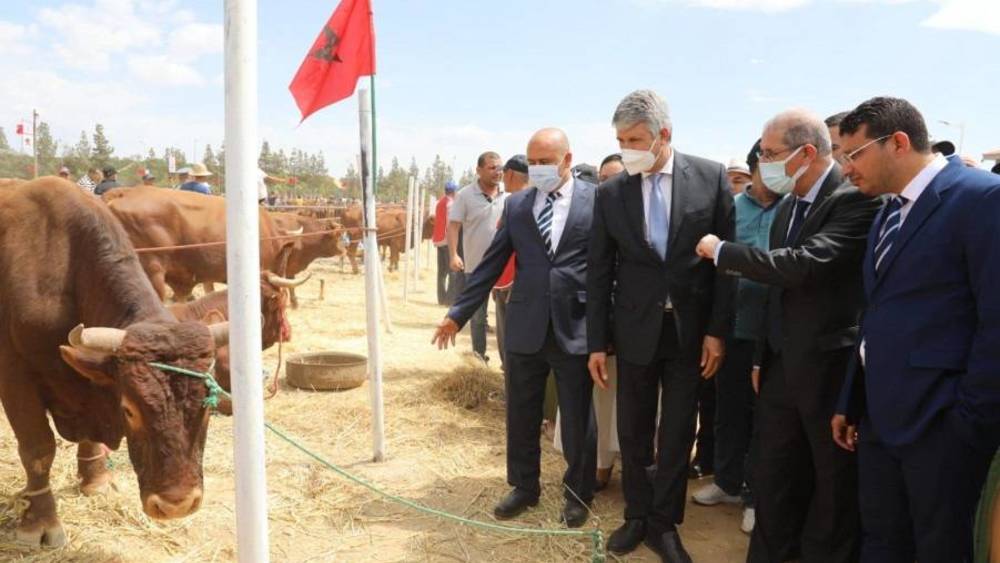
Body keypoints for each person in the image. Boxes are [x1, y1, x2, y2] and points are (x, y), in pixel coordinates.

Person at [696, 109, 880, 562]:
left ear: (808, 153)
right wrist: (761, 356)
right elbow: (775, 296)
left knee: (829, 483)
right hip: (779, 367)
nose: (765, 162)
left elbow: (802, 265)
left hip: (826, 369)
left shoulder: (854, 199)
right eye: (761, 153)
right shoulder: (789, 207)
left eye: (773, 153)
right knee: (774, 475)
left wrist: (724, 251)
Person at [833, 96, 1000, 562]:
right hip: (881, 421)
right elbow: (876, 316)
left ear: (898, 143)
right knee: (882, 542)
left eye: (853, 155)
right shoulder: (886, 215)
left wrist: (966, 426)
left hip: (942, 428)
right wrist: (853, 399)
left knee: (938, 549)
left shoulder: (982, 199)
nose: (846, 169)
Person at [587, 89, 735, 561]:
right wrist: (596, 341)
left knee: (676, 430)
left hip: (688, 331)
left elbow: (724, 265)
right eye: (620, 139)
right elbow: (599, 269)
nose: (626, 147)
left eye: (634, 139)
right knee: (632, 428)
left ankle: (664, 522)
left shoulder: (710, 179)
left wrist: (716, 330)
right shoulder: (612, 192)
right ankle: (635, 515)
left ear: (663, 135)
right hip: (634, 329)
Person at [432, 128, 598, 528]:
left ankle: (577, 494)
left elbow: (608, 264)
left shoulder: (598, 200)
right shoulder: (519, 205)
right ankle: (525, 487)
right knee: (521, 413)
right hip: (524, 324)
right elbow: (492, 262)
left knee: (576, 416)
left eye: (547, 161)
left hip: (575, 325)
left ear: (567, 159)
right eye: (532, 160)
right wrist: (458, 312)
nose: (538, 168)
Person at [691, 139, 783, 536]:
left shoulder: (792, 210)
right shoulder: (730, 208)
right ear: (755, 168)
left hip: (774, 335)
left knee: (765, 421)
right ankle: (727, 482)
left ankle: (754, 495)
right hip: (732, 329)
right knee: (728, 412)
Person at [446, 151, 506, 364]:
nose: (497, 172)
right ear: (478, 170)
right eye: (491, 168)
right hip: (476, 266)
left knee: (506, 317)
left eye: (500, 167)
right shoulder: (465, 195)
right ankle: (479, 359)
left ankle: (508, 362)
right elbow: (453, 226)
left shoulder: (509, 195)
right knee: (478, 316)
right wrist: (453, 254)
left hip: (505, 269)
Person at [493, 155, 530, 370]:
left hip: (512, 285)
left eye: (502, 174)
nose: (500, 178)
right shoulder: (522, 202)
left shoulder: (516, 203)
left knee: (509, 343)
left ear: (510, 174)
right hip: (506, 282)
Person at [433, 180, 459, 305]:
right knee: (453, 271)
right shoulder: (451, 204)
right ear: (454, 191)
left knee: (441, 272)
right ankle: (449, 300)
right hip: (447, 240)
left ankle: (441, 298)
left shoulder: (439, 203)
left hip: (438, 240)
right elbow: (451, 223)